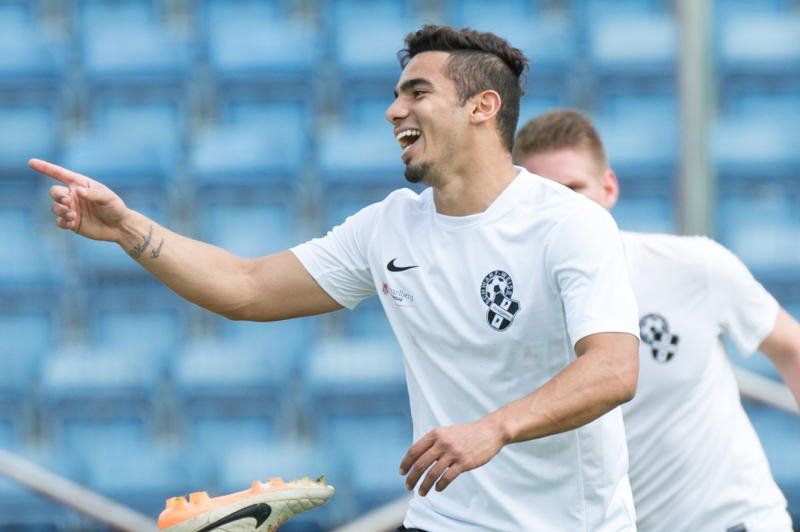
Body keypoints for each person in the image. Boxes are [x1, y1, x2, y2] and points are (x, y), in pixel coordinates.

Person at [31, 26, 641, 531]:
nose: (394, 110)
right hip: (443, 520)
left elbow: (614, 369)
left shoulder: (569, 222)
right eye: (396, 96)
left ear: (482, 107)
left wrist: (495, 428)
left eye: (418, 92)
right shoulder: (388, 227)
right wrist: (128, 229)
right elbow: (247, 287)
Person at [514, 108, 800, 532]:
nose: (563, 211)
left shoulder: (692, 266)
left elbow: (791, 347)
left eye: (574, 190)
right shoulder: (508, 312)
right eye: (545, 197)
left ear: (609, 188)